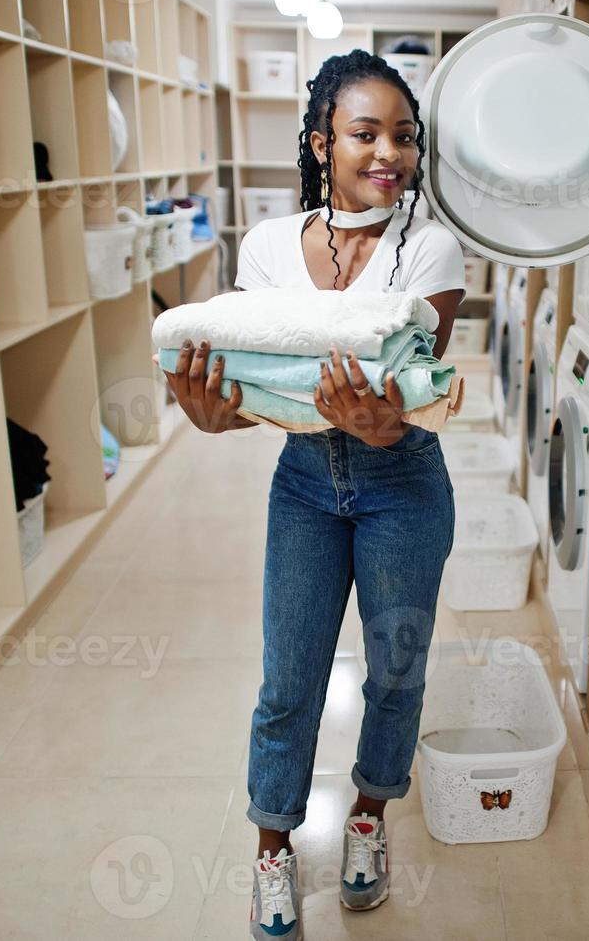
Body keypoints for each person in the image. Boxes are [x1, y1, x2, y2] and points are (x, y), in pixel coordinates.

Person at [159, 51, 464, 940]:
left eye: (403, 137)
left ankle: (369, 816)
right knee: (287, 681)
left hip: (401, 483)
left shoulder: (432, 248)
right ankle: (272, 848)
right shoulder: (263, 248)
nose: (388, 155)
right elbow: (264, 391)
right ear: (320, 140)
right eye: (365, 133)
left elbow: (423, 395)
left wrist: (384, 428)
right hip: (303, 485)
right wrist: (217, 419)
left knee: (395, 676)